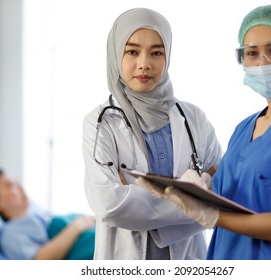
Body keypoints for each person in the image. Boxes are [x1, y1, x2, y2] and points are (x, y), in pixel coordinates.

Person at [137, 4, 271, 260]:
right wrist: (200, 187)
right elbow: (236, 195)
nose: (262, 62)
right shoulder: (244, 128)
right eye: (252, 53)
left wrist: (213, 216)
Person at [82, 7, 223, 260]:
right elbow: (108, 204)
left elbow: (222, 193)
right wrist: (196, 195)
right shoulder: (101, 122)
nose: (144, 64)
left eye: (156, 52)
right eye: (132, 51)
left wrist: (135, 197)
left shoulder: (194, 119)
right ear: (116, 55)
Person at [0, 169, 96, 260]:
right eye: (10, 185)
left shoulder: (39, 216)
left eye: (17, 183)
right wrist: (76, 227)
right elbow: (39, 262)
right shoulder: (11, 232)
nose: (20, 187)